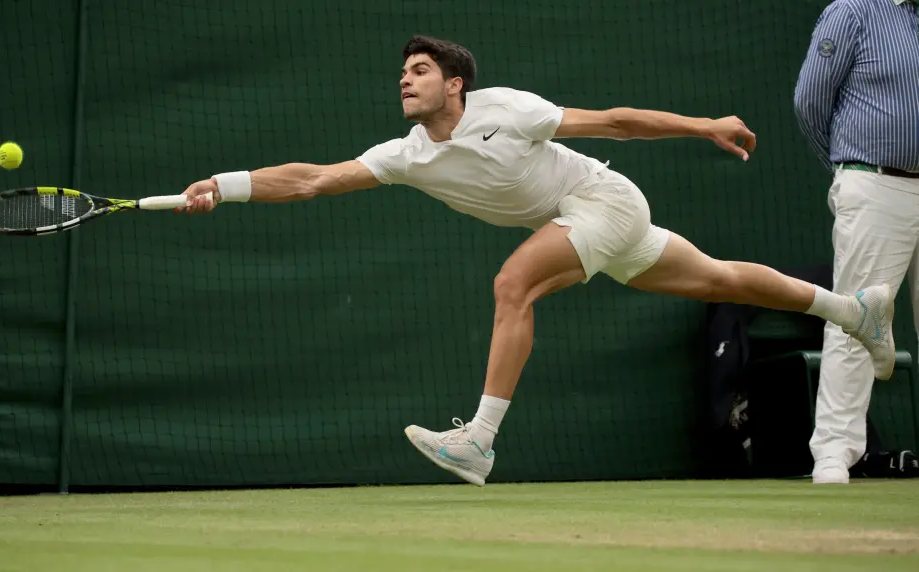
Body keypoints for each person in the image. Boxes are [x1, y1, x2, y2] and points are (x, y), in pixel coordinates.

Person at [180, 35, 895, 486]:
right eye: (403, 73)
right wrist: (227, 186)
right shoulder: (405, 156)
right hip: (587, 222)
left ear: (453, 84)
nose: (405, 80)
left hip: (604, 201)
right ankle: (853, 309)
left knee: (512, 282)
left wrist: (703, 124)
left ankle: (479, 443)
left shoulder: (507, 109)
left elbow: (613, 123)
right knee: (718, 278)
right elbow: (311, 178)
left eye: (420, 71)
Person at [793, 0, 919, 485]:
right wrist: (851, 167)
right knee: (855, 316)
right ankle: (834, 452)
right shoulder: (853, 11)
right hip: (875, 183)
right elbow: (810, 102)